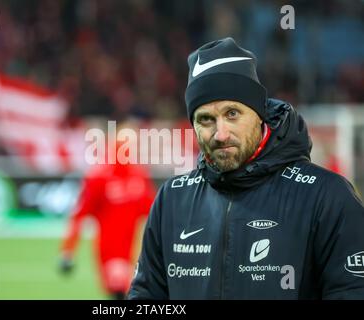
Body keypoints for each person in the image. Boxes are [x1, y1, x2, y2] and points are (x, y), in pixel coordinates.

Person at [127, 37, 364, 299]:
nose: (221, 134)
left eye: (232, 114)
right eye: (206, 119)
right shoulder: (172, 199)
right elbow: (146, 295)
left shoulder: (326, 196)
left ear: (259, 115)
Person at [59, 121, 156, 300]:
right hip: (109, 252)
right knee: (121, 292)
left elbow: (155, 214)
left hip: (132, 255)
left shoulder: (139, 177)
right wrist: (67, 250)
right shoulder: (99, 179)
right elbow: (80, 216)